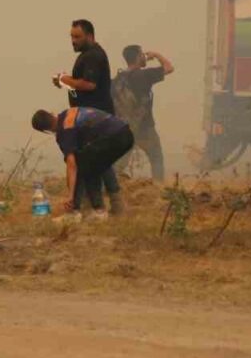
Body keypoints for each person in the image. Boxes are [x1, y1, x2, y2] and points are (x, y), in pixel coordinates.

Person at [51, 19, 124, 213]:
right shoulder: (86, 55)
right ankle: (92, 205)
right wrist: (64, 83)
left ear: (90, 36)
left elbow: (89, 85)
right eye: (71, 37)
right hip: (86, 119)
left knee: (98, 162)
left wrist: (66, 79)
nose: (73, 41)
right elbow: (79, 89)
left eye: (77, 37)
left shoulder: (93, 56)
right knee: (93, 162)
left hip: (96, 120)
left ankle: (112, 204)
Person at [31, 107, 134, 218]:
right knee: (98, 162)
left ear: (46, 130)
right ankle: (116, 207)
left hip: (114, 137)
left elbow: (72, 164)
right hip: (126, 133)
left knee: (85, 164)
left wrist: (70, 196)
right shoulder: (68, 113)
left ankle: (96, 209)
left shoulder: (65, 131)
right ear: (51, 114)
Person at [112, 45, 173, 182]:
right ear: (138, 57)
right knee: (156, 157)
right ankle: (158, 188)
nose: (145, 57)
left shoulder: (118, 79)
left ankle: (110, 188)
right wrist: (156, 54)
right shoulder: (144, 75)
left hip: (125, 128)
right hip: (145, 127)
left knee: (119, 163)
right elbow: (169, 67)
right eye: (142, 54)